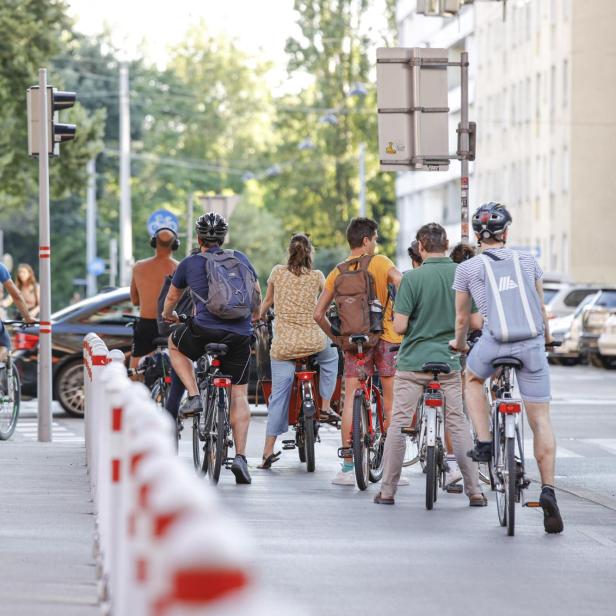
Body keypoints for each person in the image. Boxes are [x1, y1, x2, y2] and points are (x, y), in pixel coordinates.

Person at [450, 202, 563, 533]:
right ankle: (548, 490)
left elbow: (460, 317)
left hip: (493, 341)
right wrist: (547, 339)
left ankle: (484, 442)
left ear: (477, 235)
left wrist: (459, 343)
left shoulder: (467, 268)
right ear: (506, 233)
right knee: (540, 419)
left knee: (471, 379)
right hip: (530, 344)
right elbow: (539, 307)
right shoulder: (527, 261)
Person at [373, 223, 485, 506]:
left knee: (398, 423)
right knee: (458, 424)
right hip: (449, 362)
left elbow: (398, 326)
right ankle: (475, 491)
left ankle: (387, 491)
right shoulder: (462, 274)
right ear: (446, 245)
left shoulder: (412, 279)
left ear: (421, 247)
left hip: (413, 364)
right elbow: (475, 322)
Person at [162, 213, 261, 485]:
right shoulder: (240, 258)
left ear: (198, 238)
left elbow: (172, 297)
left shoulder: (190, 262)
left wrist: (167, 314)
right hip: (240, 335)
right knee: (239, 395)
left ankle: (194, 395)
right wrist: (252, 319)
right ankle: (240, 457)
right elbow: (257, 295)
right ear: (223, 238)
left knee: (175, 345)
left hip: (203, 330)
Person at [314, 217, 402, 486]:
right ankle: (389, 463)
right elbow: (402, 283)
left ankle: (347, 466)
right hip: (385, 337)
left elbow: (318, 314)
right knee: (389, 400)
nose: (376, 244)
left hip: (354, 342)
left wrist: (339, 339)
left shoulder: (336, 272)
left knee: (352, 395)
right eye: (374, 239)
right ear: (366, 240)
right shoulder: (381, 262)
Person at [257, 234, 339, 469]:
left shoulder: (277, 272)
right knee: (332, 356)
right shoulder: (317, 277)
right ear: (309, 253)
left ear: (289, 251)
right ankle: (324, 407)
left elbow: (267, 302)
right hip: (314, 341)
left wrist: (258, 317)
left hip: (284, 346)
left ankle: (267, 452)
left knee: (278, 397)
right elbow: (328, 303)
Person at [129, 225, 180, 371]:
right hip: (170, 325)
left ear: (154, 242)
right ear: (175, 245)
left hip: (146, 324)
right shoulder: (180, 268)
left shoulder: (139, 267)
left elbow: (134, 301)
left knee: (135, 370)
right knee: (179, 367)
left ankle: (138, 390)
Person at [0, 263, 36, 362]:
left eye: (24, 272)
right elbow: (16, 296)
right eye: (20, 272)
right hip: (24, 317)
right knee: (5, 345)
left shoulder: (36, 288)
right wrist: (28, 317)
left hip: (31, 315)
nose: (21, 275)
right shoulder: (1, 268)